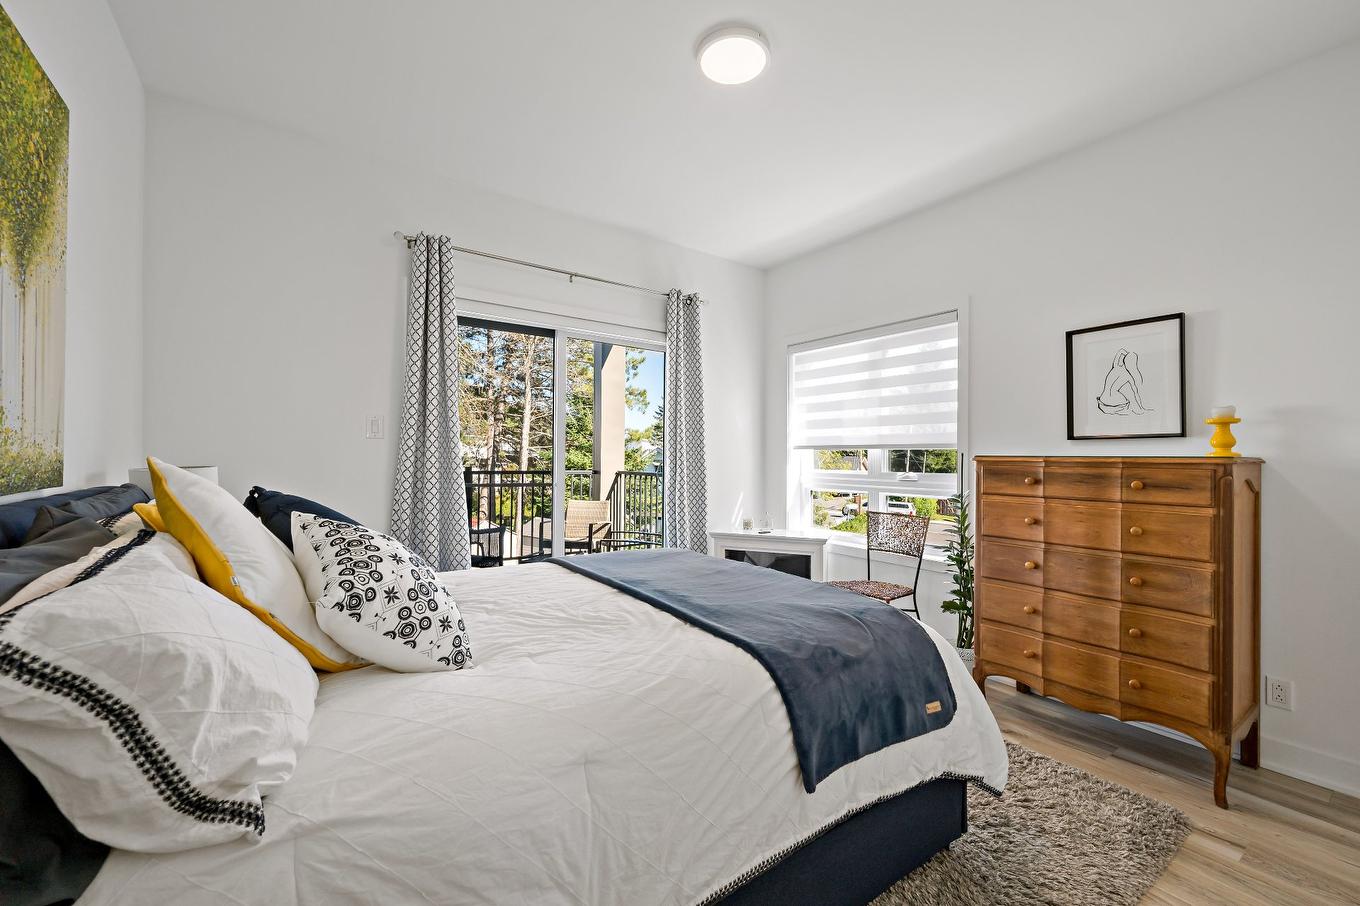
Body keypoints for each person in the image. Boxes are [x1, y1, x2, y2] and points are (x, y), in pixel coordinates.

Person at [1096, 348, 1151, 415]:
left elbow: (1121, 351)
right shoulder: (1129, 376)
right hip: (1114, 405)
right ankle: (1139, 411)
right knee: (1129, 402)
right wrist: (1141, 407)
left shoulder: (1116, 366)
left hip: (1102, 401)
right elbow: (1135, 393)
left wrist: (1127, 355)